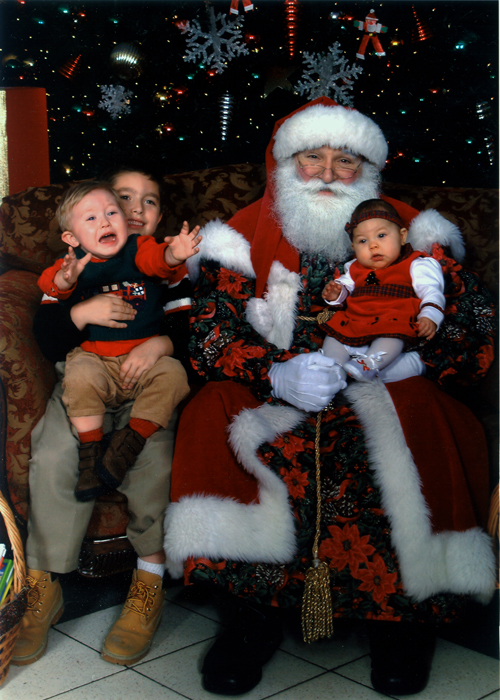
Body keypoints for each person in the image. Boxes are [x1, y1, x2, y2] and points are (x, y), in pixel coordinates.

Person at [163, 97, 496, 696]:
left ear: (367, 170)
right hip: (286, 387)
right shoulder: (238, 235)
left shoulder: (418, 234)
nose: (325, 172)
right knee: (212, 411)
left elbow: (473, 330)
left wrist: (415, 361)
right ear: (285, 165)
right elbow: (211, 332)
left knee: (423, 417)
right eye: (311, 157)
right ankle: (250, 617)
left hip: (385, 382)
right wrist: (274, 371)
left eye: (345, 160)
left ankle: (403, 618)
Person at [13, 165, 195, 668]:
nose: (135, 210)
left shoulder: (162, 266)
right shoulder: (80, 265)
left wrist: (162, 341)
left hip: (146, 390)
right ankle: (44, 586)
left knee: (155, 461)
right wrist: (81, 312)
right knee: (52, 455)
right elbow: (48, 333)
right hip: (85, 383)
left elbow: (193, 329)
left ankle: (148, 583)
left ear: (159, 218)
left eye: (149, 201)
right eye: (123, 198)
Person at [321, 198, 445, 382]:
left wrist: (429, 315)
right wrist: (337, 294)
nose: (373, 245)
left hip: (392, 321)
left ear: (402, 236)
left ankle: (368, 365)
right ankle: (331, 370)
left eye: (381, 236)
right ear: (353, 248)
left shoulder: (415, 264)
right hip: (356, 321)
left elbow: (432, 291)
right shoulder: (356, 268)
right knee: (334, 337)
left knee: (392, 339)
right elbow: (346, 288)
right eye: (363, 241)